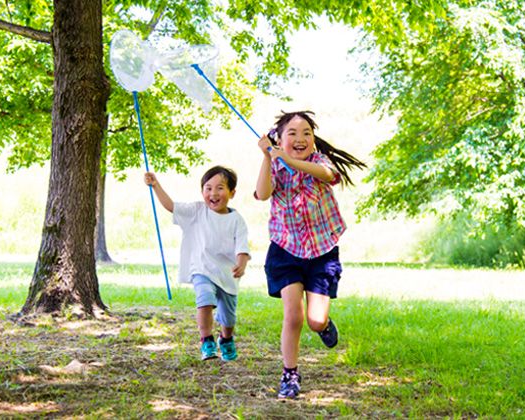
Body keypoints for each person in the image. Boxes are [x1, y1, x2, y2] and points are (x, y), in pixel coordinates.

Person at [254, 110, 366, 399]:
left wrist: (288, 159)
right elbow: (263, 193)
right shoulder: (275, 165)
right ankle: (289, 373)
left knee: (315, 320)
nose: (301, 138)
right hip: (286, 250)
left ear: (314, 141)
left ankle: (324, 325)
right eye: (292, 133)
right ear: (279, 139)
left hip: (321, 252)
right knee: (293, 316)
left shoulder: (319, 162)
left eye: (307, 133)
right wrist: (268, 157)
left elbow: (329, 176)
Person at [144, 166, 250, 361]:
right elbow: (171, 206)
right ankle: (206, 340)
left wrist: (241, 263)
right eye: (208, 188)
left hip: (227, 274)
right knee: (205, 299)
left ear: (232, 193)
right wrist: (156, 185)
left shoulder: (237, 220)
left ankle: (226, 339)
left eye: (220, 188)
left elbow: (242, 247)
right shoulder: (196, 211)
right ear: (202, 192)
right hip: (201, 269)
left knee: (228, 318)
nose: (213, 193)